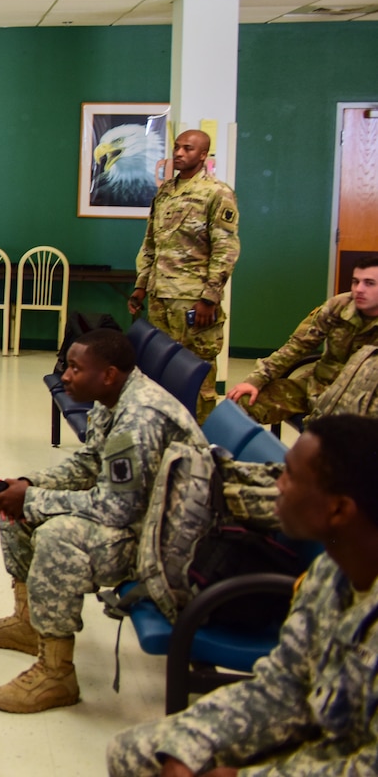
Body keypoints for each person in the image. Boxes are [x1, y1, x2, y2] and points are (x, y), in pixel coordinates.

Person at [107, 411, 378, 777]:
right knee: (136, 754)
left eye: (292, 477)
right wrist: (190, 746)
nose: (277, 485)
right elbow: (283, 685)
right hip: (322, 735)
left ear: (339, 509)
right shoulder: (330, 571)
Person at [0, 328, 206, 713]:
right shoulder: (111, 399)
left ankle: (57, 673)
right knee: (17, 507)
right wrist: (29, 485)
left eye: (75, 368)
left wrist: (34, 499)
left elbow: (117, 509)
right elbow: (90, 463)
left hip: (165, 545)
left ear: (108, 374)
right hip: (139, 517)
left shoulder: (139, 419)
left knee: (58, 536)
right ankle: (30, 625)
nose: (65, 375)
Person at [129, 129, 240, 419]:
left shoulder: (217, 193)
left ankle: (199, 440)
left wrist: (210, 298)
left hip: (193, 300)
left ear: (203, 155)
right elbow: (151, 243)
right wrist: (141, 286)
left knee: (197, 372)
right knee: (159, 370)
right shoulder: (165, 191)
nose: (179, 153)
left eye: (188, 149)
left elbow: (225, 249)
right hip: (160, 297)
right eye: (177, 147)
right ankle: (164, 430)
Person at [226, 255, 378, 426]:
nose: (359, 289)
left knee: (342, 435)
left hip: (362, 400)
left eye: (369, 283)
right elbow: (297, 346)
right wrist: (256, 380)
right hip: (317, 385)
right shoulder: (338, 305)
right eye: (355, 282)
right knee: (242, 402)